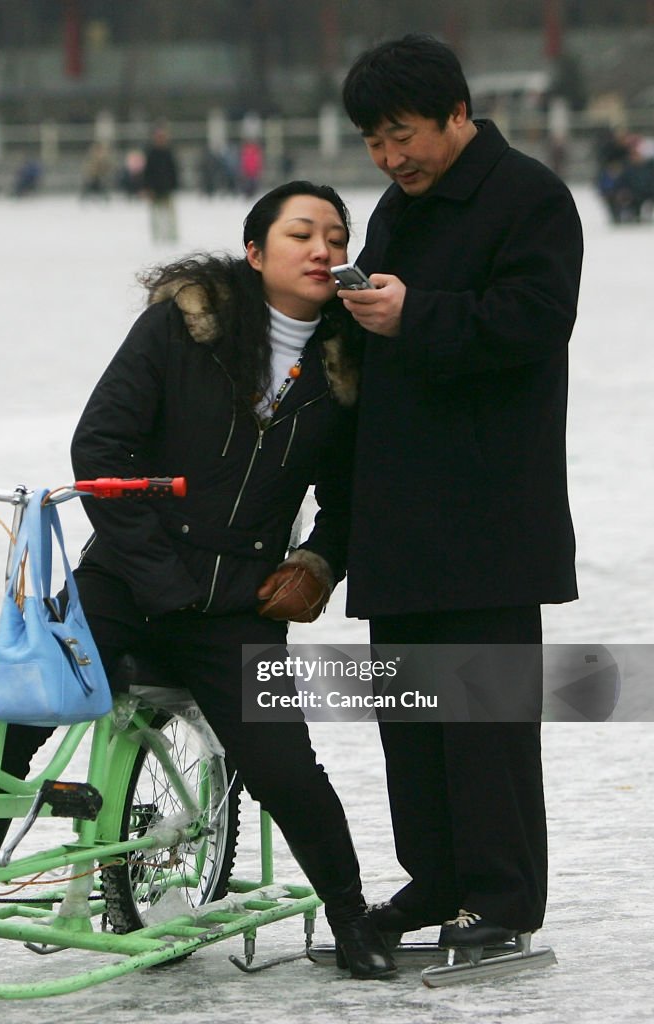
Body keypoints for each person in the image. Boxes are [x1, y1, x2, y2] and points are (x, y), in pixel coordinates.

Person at [0, 180, 396, 982]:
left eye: (337, 238)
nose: (322, 250)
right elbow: (101, 446)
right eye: (301, 233)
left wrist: (315, 562)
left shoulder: (345, 367)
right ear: (255, 250)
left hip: (238, 604)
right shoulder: (183, 327)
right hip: (127, 579)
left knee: (284, 771)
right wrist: (163, 576)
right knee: (16, 712)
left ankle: (350, 914)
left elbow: (345, 500)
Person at [338, 35, 583, 952]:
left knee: (485, 722)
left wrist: (414, 314)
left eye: (402, 134)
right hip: (399, 508)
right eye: (372, 142)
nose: (390, 157)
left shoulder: (531, 198)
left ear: (456, 113)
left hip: (489, 508)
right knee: (412, 715)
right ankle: (435, 881)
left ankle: (504, 899)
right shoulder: (399, 209)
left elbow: (536, 319)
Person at [142, 125, 179, 242]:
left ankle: (172, 235)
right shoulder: (151, 153)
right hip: (155, 190)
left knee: (170, 214)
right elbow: (147, 173)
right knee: (156, 215)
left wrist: (174, 185)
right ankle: (156, 236)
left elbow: (173, 171)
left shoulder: (169, 152)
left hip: (167, 188)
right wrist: (148, 188)